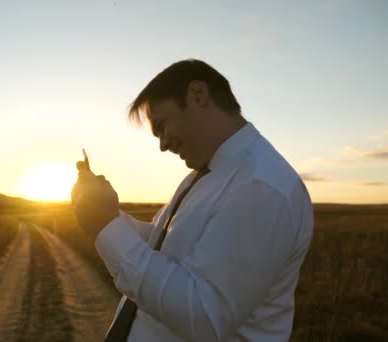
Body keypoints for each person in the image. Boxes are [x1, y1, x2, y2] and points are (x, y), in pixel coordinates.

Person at [70, 59, 314, 341]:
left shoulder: (261, 185)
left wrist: (105, 227)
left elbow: (205, 318)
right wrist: (106, 213)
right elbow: (165, 243)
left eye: (161, 126)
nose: (162, 145)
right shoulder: (206, 174)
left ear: (198, 94)